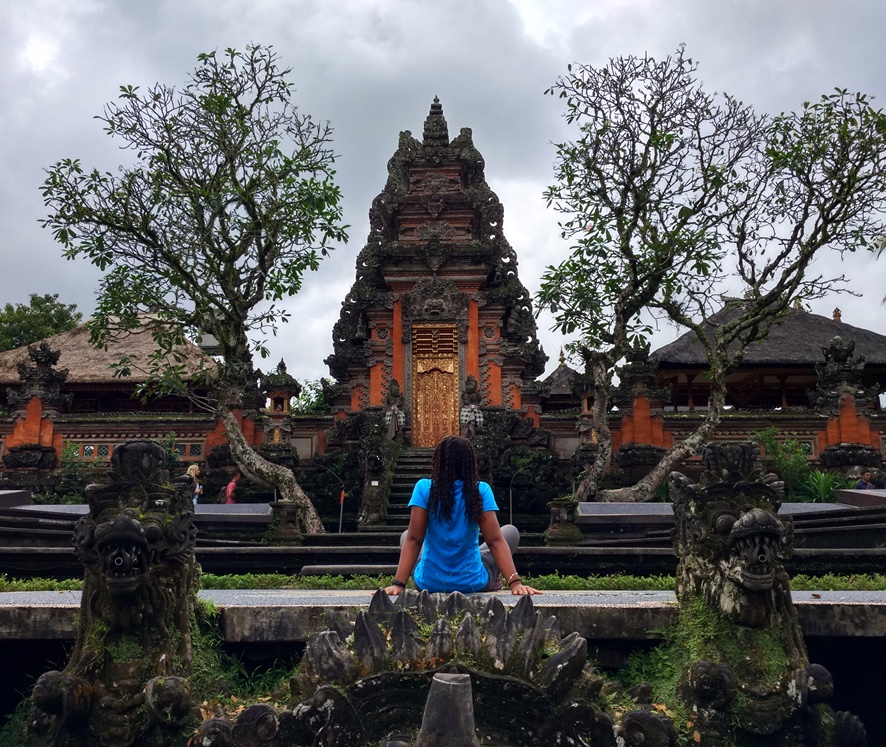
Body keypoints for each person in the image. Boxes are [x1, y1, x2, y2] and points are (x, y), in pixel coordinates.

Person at [384, 436, 540, 596]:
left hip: (429, 583)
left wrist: (398, 584)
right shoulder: (480, 490)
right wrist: (515, 583)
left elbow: (415, 540)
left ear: (439, 461)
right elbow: (494, 541)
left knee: (407, 536)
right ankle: (490, 573)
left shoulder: (424, 488)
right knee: (509, 532)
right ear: (471, 463)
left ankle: (470, 559)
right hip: (472, 582)